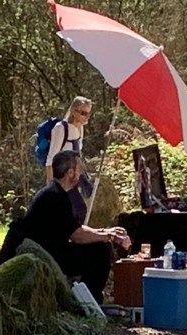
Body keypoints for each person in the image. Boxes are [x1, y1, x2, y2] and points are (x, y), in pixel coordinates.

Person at [24, 150, 131, 304]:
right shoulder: (54, 196)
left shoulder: (58, 192)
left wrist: (104, 231)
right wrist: (109, 237)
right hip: (46, 254)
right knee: (101, 251)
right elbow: (78, 236)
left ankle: (86, 297)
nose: (81, 174)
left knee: (100, 245)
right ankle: (90, 301)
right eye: (79, 169)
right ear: (70, 173)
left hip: (53, 249)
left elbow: (75, 227)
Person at [44, 96, 94, 224]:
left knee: (78, 211)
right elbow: (51, 158)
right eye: (83, 113)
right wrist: (50, 186)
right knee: (76, 210)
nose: (86, 117)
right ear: (73, 111)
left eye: (88, 114)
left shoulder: (80, 128)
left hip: (75, 175)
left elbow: (78, 152)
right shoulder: (60, 128)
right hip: (62, 178)